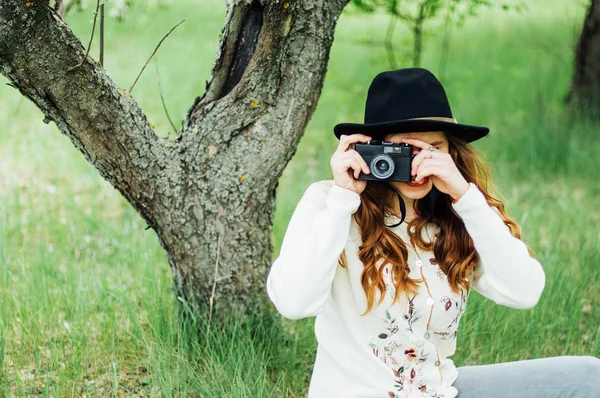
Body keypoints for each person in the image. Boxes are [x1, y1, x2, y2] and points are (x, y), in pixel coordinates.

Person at [265, 68, 600, 398]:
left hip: (440, 390)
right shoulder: (329, 202)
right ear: (374, 149)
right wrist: (344, 199)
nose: (418, 164)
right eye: (405, 150)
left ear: (451, 153)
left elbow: (525, 291)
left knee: (586, 376)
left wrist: (465, 196)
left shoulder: (454, 218)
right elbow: (294, 302)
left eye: (433, 149)